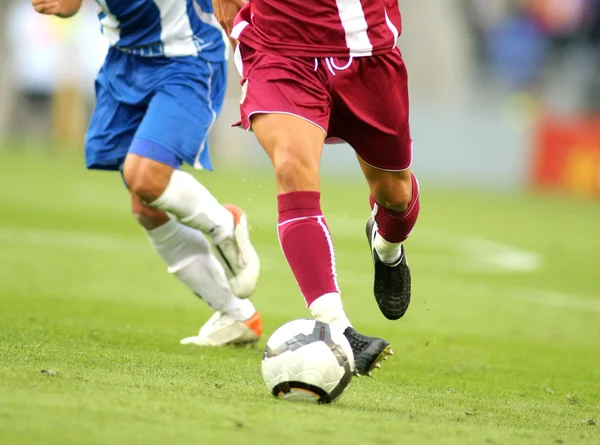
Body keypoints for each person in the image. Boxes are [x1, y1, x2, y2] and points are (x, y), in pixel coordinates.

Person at [31, 0, 262, 346]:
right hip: (125, 62)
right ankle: (236, 315)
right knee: (145, 207)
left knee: (146, 178)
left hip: (186, 58)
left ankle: (225, 223)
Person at [216, 0, 421, 375]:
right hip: (278, 46)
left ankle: (387, 245)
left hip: (366, 49)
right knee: (292, 167)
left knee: (396, 195)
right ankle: (338, 330)